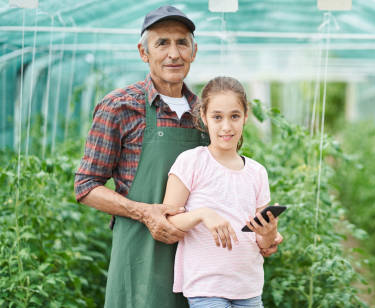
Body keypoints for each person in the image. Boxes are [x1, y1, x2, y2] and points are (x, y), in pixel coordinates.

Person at [73, 6, 282, 308]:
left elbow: (227, 185)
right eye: (162, 43)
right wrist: (144, 212)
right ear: (143, 52)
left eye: (182, 42)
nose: (174, 53)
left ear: (194, 51)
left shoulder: (206, 113)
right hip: (141, 255)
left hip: (205, 267)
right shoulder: (120, 107)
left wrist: (263, 235)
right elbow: (86, 186)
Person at [163, 76, 277, 308]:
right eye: (217, 117)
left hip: (249, 287)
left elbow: (263, 242)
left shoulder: (257, 172)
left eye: (234, 116)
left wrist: (269, 233)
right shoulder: (191, 162)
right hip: (206, 287)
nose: (226, 126)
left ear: (245, 116)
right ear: (203, 117)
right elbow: (168, 222)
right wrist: (203, 214)